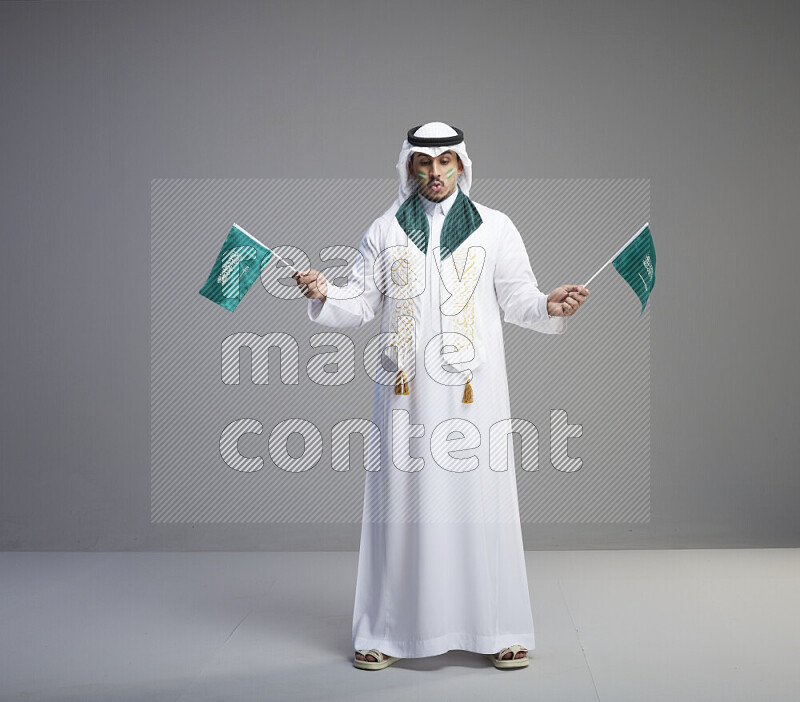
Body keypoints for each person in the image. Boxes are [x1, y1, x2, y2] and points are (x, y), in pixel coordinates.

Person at [293, 122, 588, 670]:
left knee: (482, 502)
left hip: (475, 392)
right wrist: (323, 292)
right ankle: (386, 632)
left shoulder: (494, 228)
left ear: (462, 165)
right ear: (409, 167)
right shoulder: (385, 229)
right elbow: (358, 302)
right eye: (424, 164)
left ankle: (497, 628)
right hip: (405, 391)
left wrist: (549, 304)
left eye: (445, 162)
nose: (435, 173)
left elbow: (517, 294)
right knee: (400, 506)